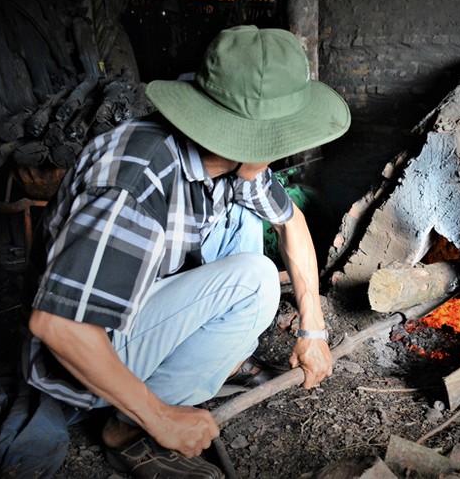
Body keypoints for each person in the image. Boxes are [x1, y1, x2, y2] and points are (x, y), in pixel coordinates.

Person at [22, 25, 351, 477]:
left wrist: (313, 328)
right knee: (254, 281)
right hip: (82, 355)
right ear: (249, 139)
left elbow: (290, 221)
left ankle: (218, 357)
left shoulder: (231, 162)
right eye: (279, 137)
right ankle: (127, 429)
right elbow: (58, 325)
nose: (281, 151)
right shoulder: (135, 183)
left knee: (244, 215)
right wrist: (159, 417)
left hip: (139, 302)